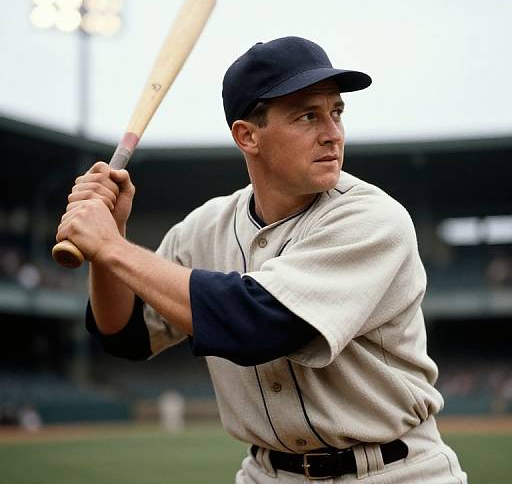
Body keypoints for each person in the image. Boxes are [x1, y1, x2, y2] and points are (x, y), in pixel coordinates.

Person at [57, 36, 467, 483]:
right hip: (266, 473)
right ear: (247, 135)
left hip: (393, 471)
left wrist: (113, 247)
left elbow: (258, 323)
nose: (332, 132)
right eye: (308, 115)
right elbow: (125, 335)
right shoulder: (205, 227)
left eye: (336, 112)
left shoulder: (371, 218)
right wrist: (107, 242)